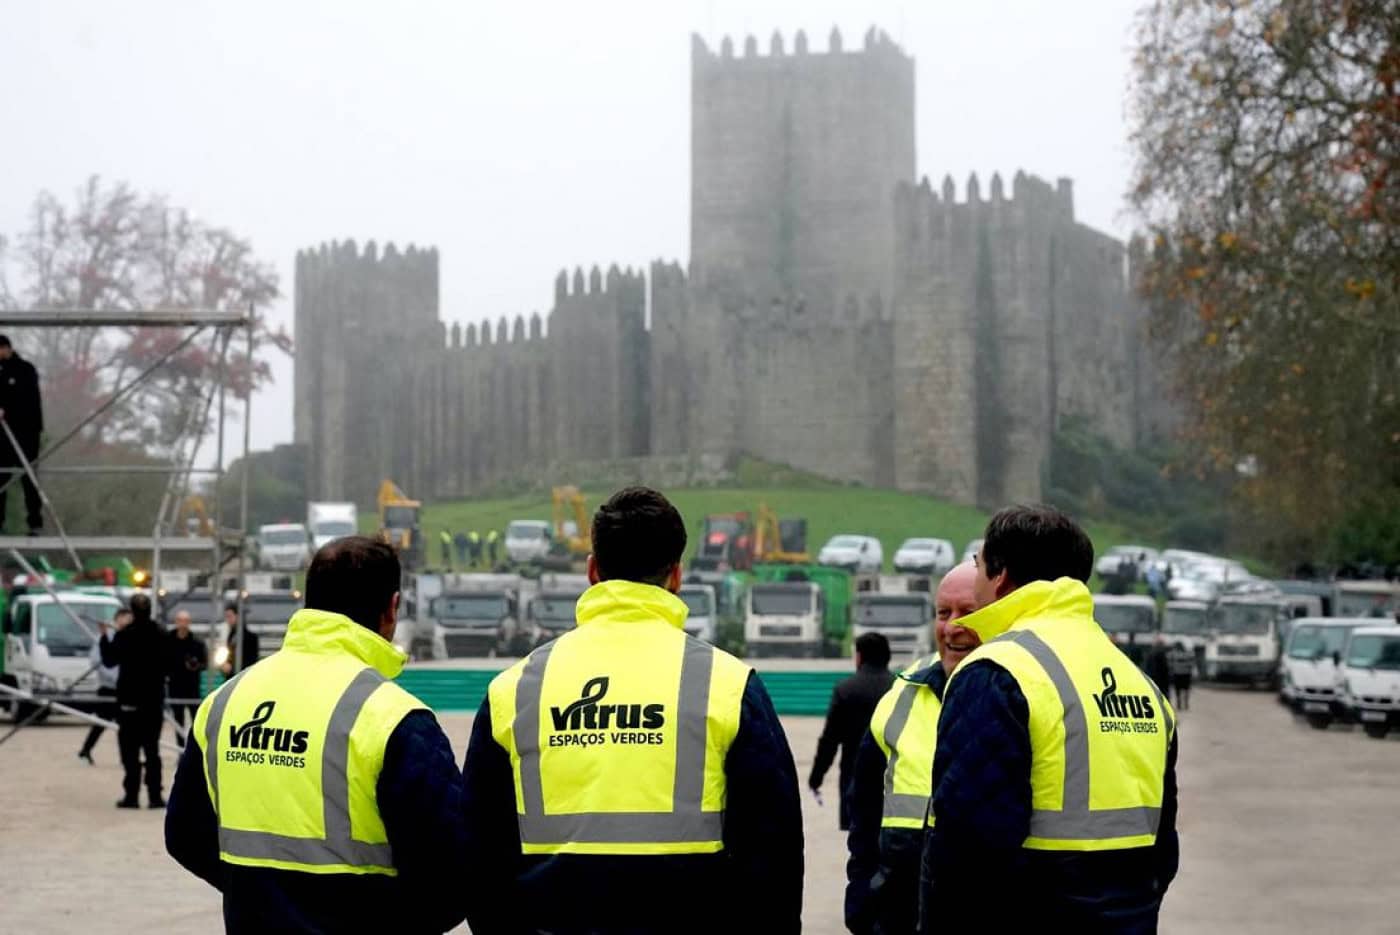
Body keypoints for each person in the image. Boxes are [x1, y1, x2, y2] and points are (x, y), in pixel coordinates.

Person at [460, 486, 803, 934]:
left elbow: (477, 854)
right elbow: (773, 858)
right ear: (676, 575)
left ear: (592, 570)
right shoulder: (729, 686)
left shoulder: (515, 689)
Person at [165, 536, 470, 933]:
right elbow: (451, 875)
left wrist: (263, 897)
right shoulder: (392, 717)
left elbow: (185, 836)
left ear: (309, 602)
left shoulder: (224, 702)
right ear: (392, 608)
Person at [919, 506, 1179, 931]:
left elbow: (968, 858)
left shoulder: (997, 671)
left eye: (978, 565)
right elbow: (1162, 850)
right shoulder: (1140, 683)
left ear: (1000, 577)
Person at [845, 561, 978, 935]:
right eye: (943, 612)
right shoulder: (904, 690)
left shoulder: (1022, 691)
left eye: (970, 612)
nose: (953, 626)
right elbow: (865, 807)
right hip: (897, 915)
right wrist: (861, 897)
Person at [810, 632, 894, 831]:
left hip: (854, 778)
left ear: (860, 656)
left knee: (858, 845)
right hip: (892, 780)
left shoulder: (845, 690)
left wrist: (817, 777)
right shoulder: (900, 689)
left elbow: (829, 740)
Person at [99, 594, 167, 808]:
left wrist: (104, 637)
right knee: (152, 751)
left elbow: (109, 660)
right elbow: (170, 664)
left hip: (129, 702)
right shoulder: (160, 633)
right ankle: (155, 796)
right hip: (153, 702)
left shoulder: (125, 635)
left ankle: (132, 795)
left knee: (129, 751)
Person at [0, 334, 44, 536]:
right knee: (1, 475)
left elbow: (27, 398)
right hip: (3, 435)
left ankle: (35, 523)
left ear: (7, 348)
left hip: (26, 432)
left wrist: (6, 409)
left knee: (29, 477)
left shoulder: (25, 370)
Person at [78, 608, 126, 764]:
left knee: (125, 725)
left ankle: (125, 757)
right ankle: (85, 750)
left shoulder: (130, 638)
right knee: (101, 722)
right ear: (117, 619)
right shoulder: (104, 637)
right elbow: (97, 661)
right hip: (108, 688)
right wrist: (114, 677)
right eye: (124, 619)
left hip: (124, 690)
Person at [165, 609, 207, 748]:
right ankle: (181, 748)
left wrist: (195, 665)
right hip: (175, 686)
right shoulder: (168, 640)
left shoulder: (196, 643)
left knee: (196, 719)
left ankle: (194, 748)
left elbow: (204, 663)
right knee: (178, 720)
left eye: (185, 621)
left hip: (191, 687)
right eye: (180, 621)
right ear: (176, 622)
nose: (183, 624)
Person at [219, 603, 260, 677]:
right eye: (226, 617)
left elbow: (251, 662)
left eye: (230, 616)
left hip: (243, 678)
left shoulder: (251, 638)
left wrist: (232, 668)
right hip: (232, 677)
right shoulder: (230, 635)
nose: (228, 620)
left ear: (238, 616)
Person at [1169, 640, 1194, 711]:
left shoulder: (1173, 654)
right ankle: (1186, 703)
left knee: (1178, 690)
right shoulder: (1189, 654)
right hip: (1186, 674)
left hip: (1177, 674)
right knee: (1186, 690)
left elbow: (1170, 664)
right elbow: (1191, 664)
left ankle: (1179, 703)